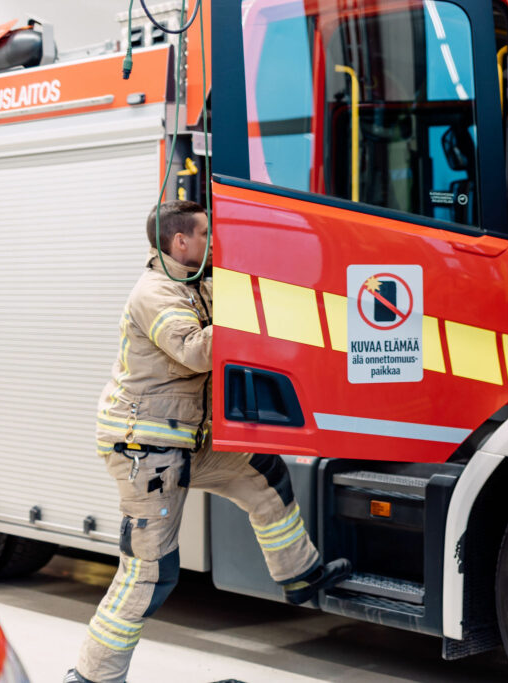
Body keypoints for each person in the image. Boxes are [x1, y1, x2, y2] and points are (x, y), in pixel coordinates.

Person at [65, 201, 351, 683]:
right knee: (150, 572)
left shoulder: (198, 284)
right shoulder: (154, 293)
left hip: (187, 442)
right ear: (181, 242)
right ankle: (92, 677)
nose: (214, 242)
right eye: (206, 234)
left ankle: (300, 574)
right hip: (146, 452)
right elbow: (196, 351)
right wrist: (243, 315)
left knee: (263, 474)